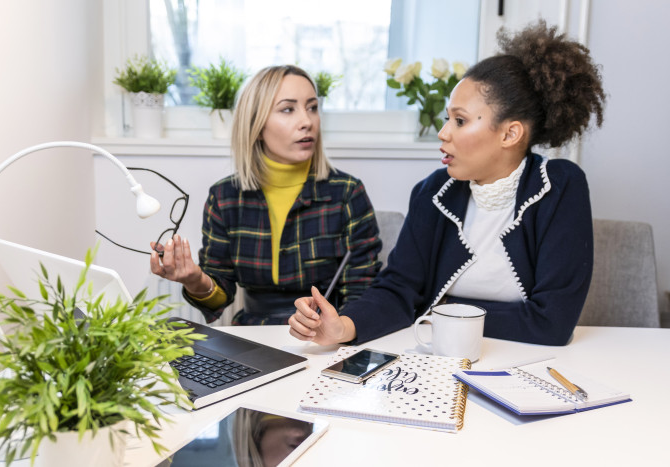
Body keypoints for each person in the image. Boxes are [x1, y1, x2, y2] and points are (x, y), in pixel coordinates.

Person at [289, 21, 606, 346]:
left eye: (460, 120)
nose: (443, 133)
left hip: (530, 366)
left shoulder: (560, 187)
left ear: (509, 134)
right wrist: (343, 327)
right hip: (439, 354)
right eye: (447, 119)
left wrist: (442, 312)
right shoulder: (432, 192)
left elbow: (551, 323)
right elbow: (399, 291)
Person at [150, 65, 381, 325]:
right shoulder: (225, 198)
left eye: (312, 107)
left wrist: (336, 331)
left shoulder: (347, 194)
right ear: (257, 126)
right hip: (253, 333)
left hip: (327, 337)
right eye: (287, 109)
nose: (307, 121)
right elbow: (220, 295)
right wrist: (193, 279)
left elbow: (363, 293)